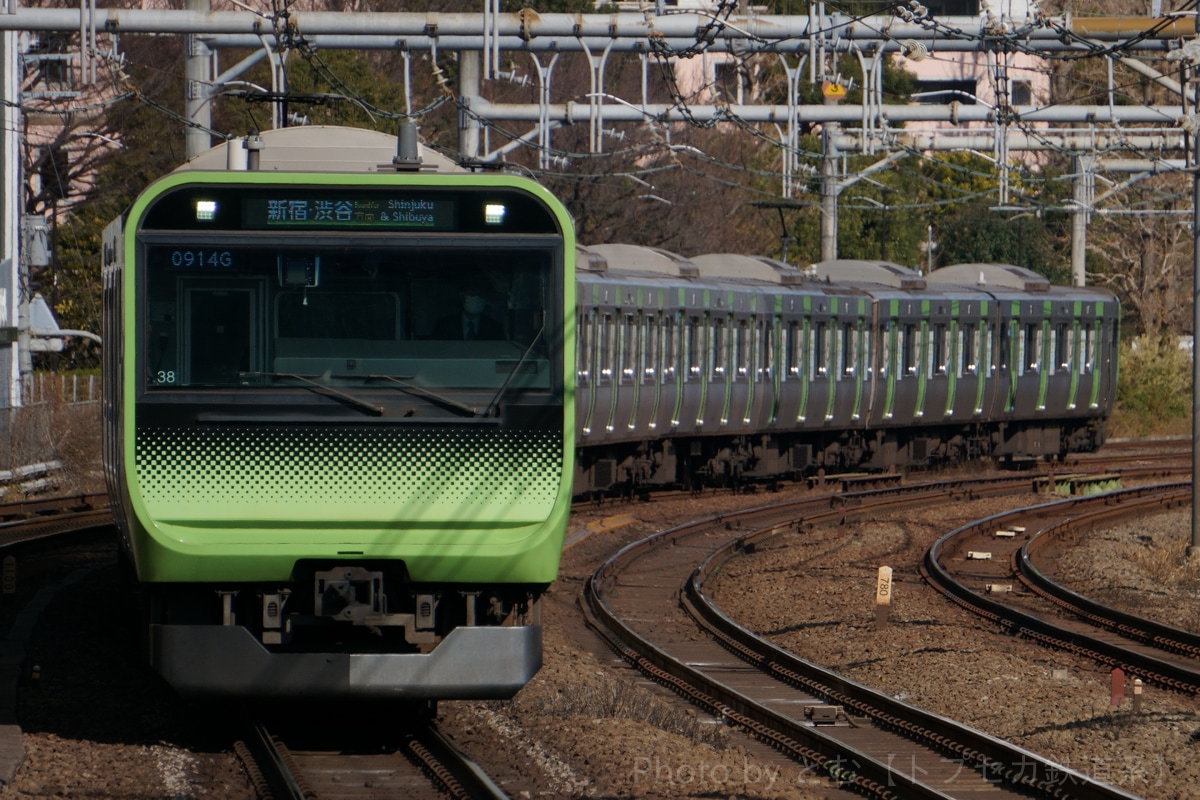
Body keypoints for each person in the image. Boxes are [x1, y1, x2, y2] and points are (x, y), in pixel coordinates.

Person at [433, 286, 505, 340]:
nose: (477, 298)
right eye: (472, 294)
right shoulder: (444, 325)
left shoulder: (495, 328)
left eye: (481, 295)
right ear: (462, 296)